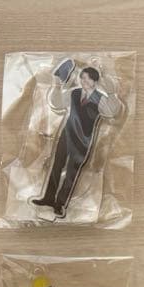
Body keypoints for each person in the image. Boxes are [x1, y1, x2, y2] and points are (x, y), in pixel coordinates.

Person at [30, 63, 122, 220]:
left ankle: (60, 204)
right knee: (56, 166)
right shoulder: (74, 93)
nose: (84, 81)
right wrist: (57, 84)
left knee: (71, 173)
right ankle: (48, 198)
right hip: (66, 136)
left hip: (83, 141)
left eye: (88, 78)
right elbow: (57, 103)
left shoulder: (100, 99)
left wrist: (111, 93)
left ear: (95, 81)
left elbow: (112, 111)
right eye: (82, 78)